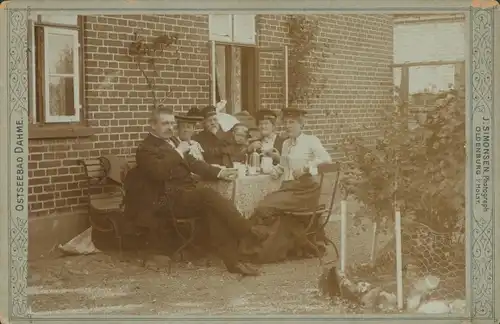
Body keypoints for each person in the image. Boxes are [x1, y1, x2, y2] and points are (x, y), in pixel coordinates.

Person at [126, 106, 265, 276]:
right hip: (165, 200)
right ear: (153, 125)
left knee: (214, 211)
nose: (170, 127)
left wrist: (220, 172)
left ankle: (233, 262)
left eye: (172, 123)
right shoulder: (146, 148)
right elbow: (158, 172)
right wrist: (178, 152)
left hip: (184, 194)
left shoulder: (174, 142)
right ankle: (247, 231)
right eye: (165, 123)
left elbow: (193, 163)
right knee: (207, 194)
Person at [240, 108, 333, 264]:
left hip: (306, 189)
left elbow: (326, 160)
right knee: (270, 209)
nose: (288, 126)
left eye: (292, 123)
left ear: (301, 124)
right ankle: (267, 246)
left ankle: (257, 245)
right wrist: (272, 171)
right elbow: (283, 166)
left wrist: (306, 168)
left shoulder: (311, 140)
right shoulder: (286, 144)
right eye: (286, 123)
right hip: (290, 187)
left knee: (264, 206)